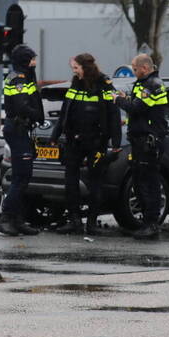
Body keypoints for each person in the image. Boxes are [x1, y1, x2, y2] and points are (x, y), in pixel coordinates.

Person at [51, 53, 121, 235]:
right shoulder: (75, 84)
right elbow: (65, 111)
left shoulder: (104, 85)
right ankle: (74, 221)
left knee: (95, 181)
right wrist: (55, 135)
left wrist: (116, 143)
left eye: (76, 67)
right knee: (70, 181)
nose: (74, 71)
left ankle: (91, 223)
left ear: (85, 67)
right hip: (74, 140)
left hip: (96, 141)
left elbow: (114, 115)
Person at [114, 53, 168, 240]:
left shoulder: (153, 85)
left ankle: (152, 224)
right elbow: (137, 108)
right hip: (139, 141)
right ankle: (145, 223)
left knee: (149, 184)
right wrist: (126, 98)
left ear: (144, 68)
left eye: (135, 69)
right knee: (138, 183)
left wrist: (118, 100)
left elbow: (137, 108)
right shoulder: (143, 83)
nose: (134, 71)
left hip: (149, 142)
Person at [0, 43, 44, 236]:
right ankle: (6, 218)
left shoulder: (25, 77)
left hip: (20, 129)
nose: (34, 62)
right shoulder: (18, 79)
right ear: (25, 60)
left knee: (22, 176)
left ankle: (18, 219)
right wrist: (38, 116)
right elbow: (22, 106)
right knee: (22, 176)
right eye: (32, 59)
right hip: (17, 129)